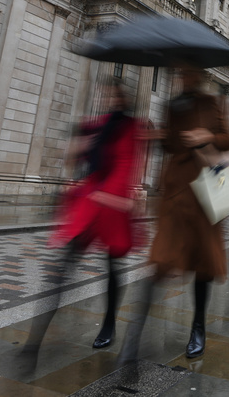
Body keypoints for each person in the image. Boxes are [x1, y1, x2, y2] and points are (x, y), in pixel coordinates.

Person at [119, 62, 229, 363]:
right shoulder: (172, 104)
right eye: (181, 71)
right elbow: (171, 143)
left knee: (203, 264)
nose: (184, 75)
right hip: (176, 190)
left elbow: (227, 139)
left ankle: (198, 328)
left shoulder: (212, 102)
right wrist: (157, 137)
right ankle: (134, 336)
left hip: (207, 188)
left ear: (199, 74)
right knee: (161, 258)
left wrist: (204, 136)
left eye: (188, 71)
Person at [25, 80, 143, 353]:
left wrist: (108, 195)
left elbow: (126, 165)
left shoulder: (131, 127)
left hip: (111, 204)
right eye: (106, 93)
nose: (109, 97)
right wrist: (75, 150)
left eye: (114, 93)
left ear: (124, 98)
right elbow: (76, 157)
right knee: (63, 266)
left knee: (113, 267)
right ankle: (35, 339)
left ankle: (109, 323)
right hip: (90, 202)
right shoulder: (97, 123)